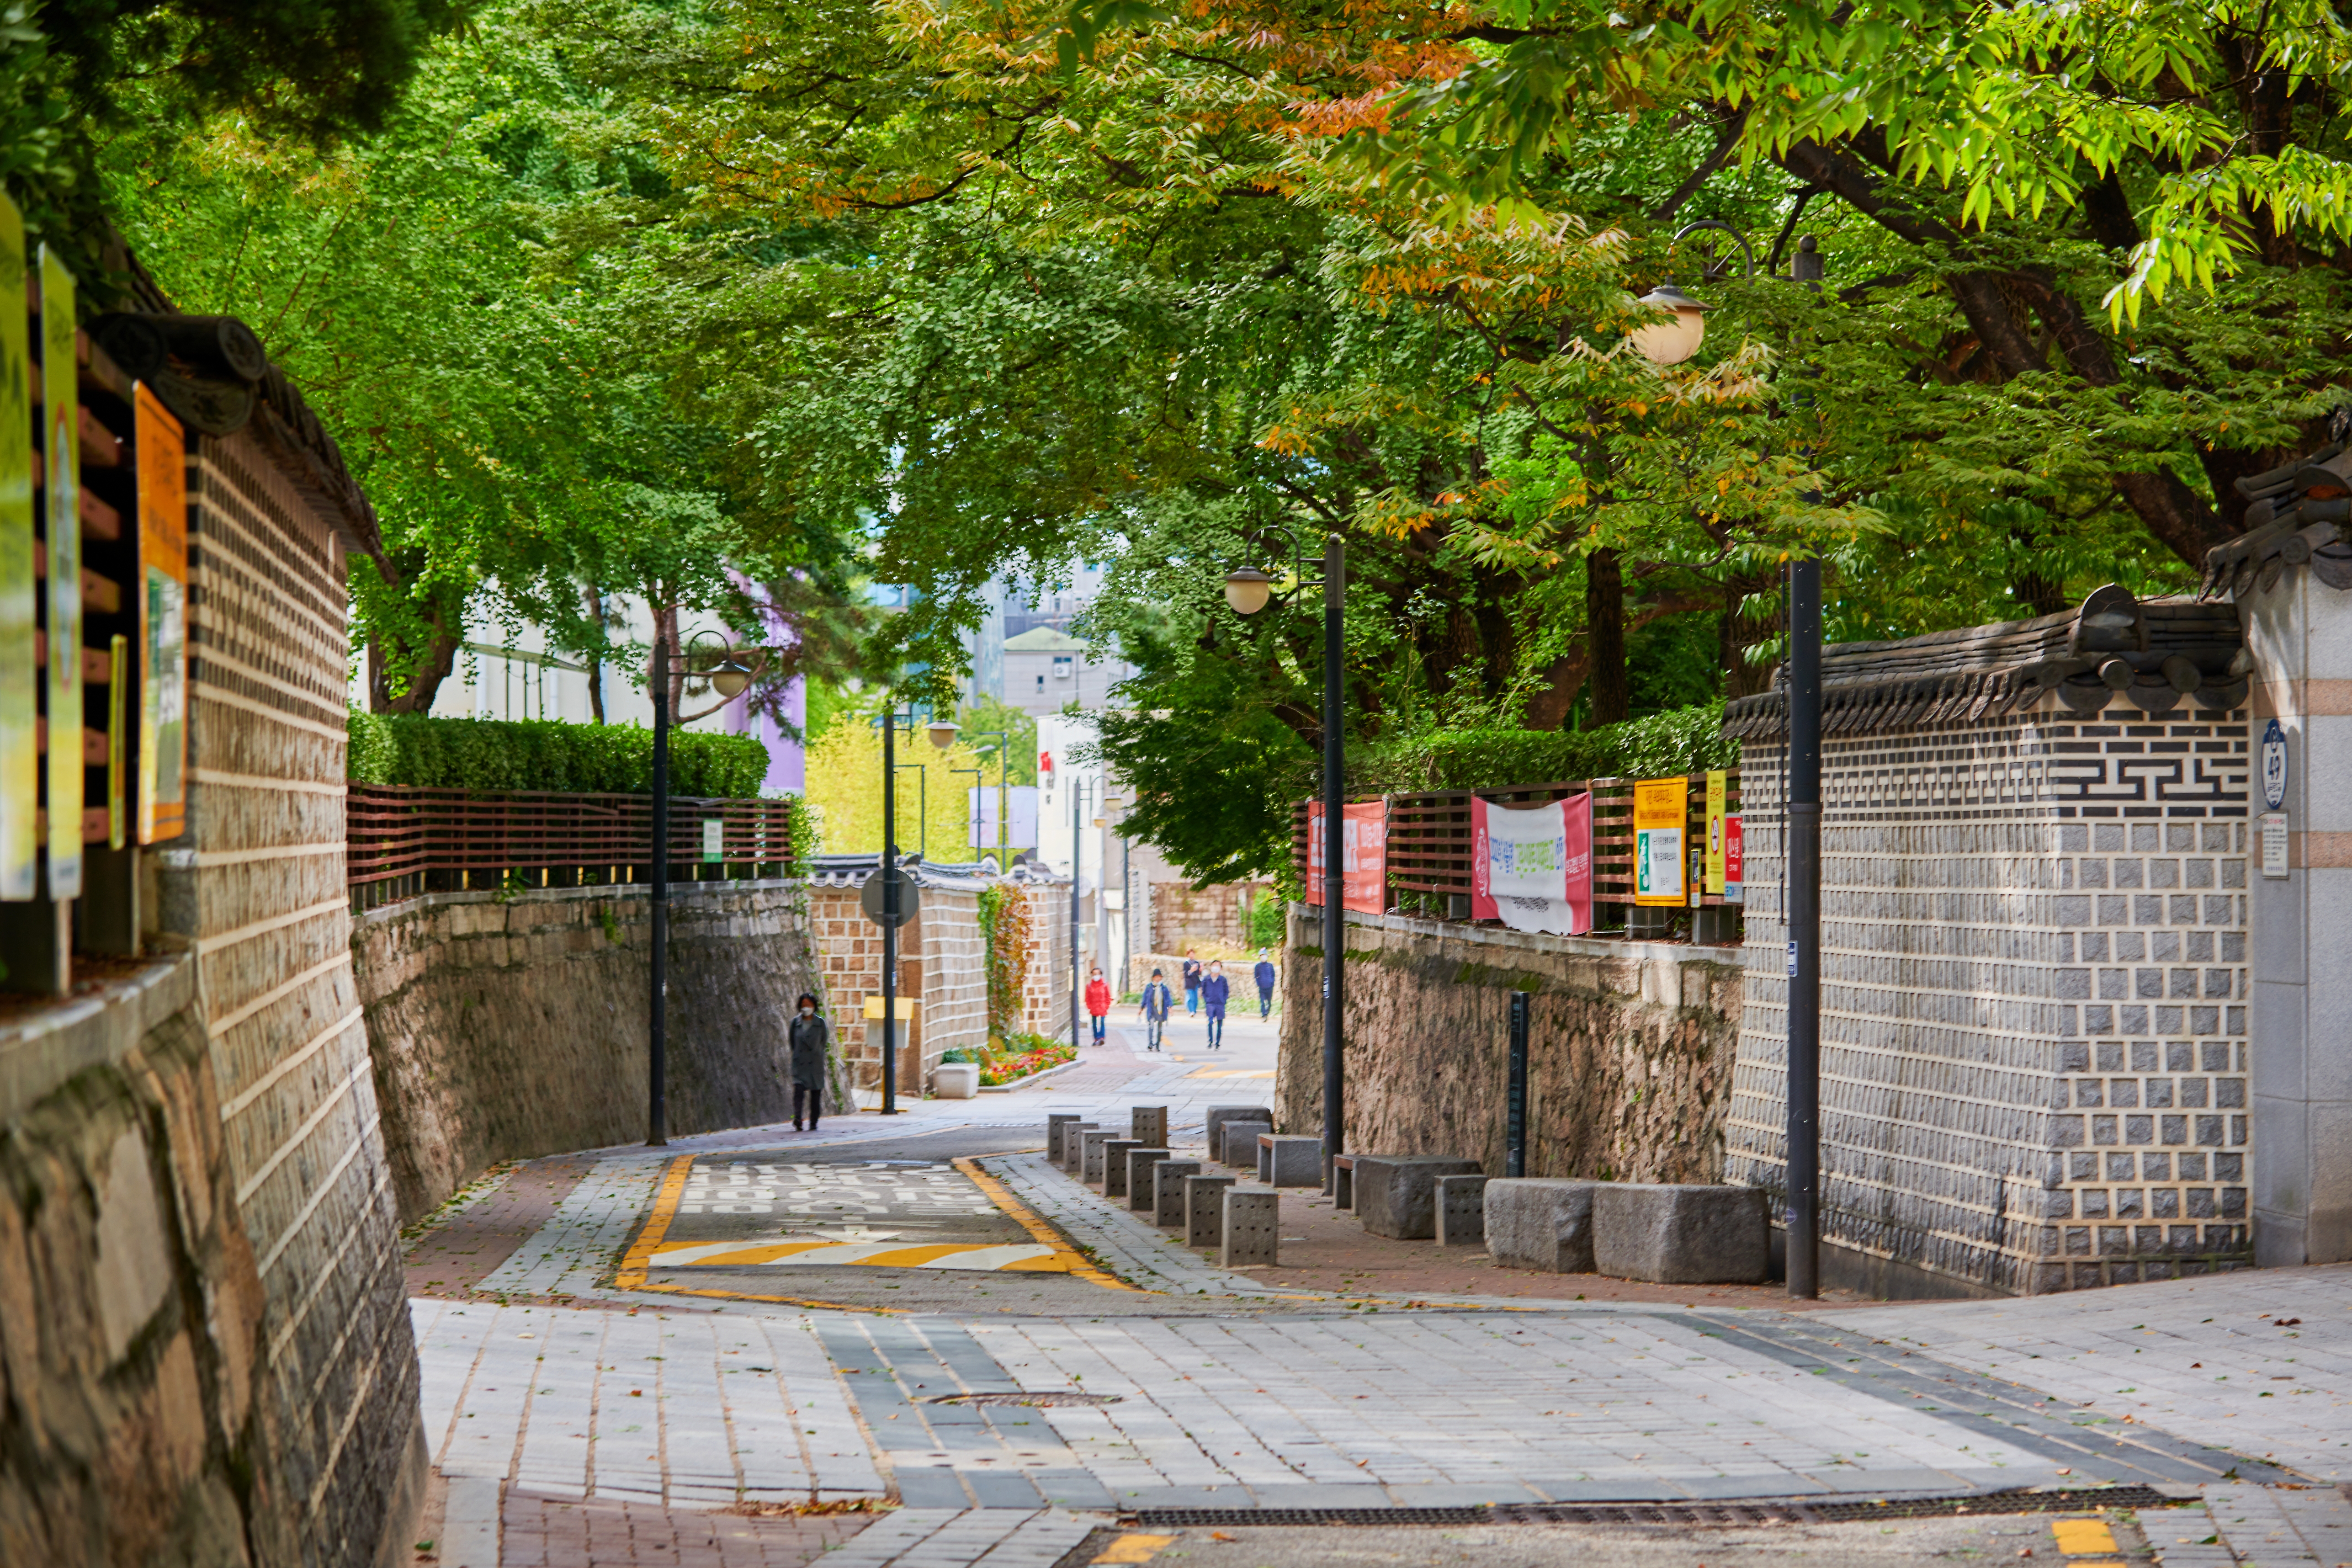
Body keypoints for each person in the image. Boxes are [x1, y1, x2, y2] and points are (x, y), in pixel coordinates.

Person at [788, 992, 827, 1132]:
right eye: (804, 1005)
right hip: (800, 1064)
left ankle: (814, 1122)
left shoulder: (820, 1023)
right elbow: (792, 1042)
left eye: (809, 1005)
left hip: (815, 1064)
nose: (806, 1007)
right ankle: (798, 1119)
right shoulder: (795, 1023)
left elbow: (824, 1042)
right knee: (798, 1092)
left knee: (815, 1097)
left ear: (814, 1006)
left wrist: (816, 1052)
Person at [1138, 967, 1173, 1052]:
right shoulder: (1149, 987)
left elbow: (1168, 999)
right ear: (1153, 978)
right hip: (1152, 1010)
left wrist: (1170, 1008)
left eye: (1159, 977)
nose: (1158, 979)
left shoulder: (1164, 988)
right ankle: (1150, 1044)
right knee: (1151, 1026)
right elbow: (1145, 998)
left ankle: (1158, 1045)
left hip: (1161, 1011)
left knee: (1160, 1029)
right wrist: (1141, 1008)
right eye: (1156, 977)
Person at [1200, 959, 1230, 1049]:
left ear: (1221, 969)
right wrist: (1207, 999)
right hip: (1210, 1003)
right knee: (1210, 1022)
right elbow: (1204, 991)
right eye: (1214, 965)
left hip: (1220, 1004)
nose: (1216, 967)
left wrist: (1224, 1000)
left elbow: (1226, 991)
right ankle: (1210, 1041)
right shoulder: (1206, 979)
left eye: (1218, 966)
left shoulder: (1223, 980)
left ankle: (1217, 1043)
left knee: (1220, 1024)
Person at [1084, 964, 1112, 1045]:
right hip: (1094, 1007)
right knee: (1094, 1024)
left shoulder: (1105, 985)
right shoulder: (1089, 986)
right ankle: (1096, 1038)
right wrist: (1089, 1006)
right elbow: (1087, 997)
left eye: (1098, 974)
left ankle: (1102, 1037)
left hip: (1102, 1007)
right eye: (1094, 974)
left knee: (1102, 1022)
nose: (1096, 976)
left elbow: (1108, 996)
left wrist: (1106, 1006)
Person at [1253, 949, 1277, 1019]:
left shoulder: (1270, 966)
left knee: (1269, 1002)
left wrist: (1272, 983)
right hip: (1262, 987)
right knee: (1262, 1002)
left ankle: (1267, 1012)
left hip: (1270, 987)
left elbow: (1273, 975)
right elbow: (1256, 976)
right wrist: (1259, 984)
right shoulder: (1258, 966)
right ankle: (1264, 1014)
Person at [1181, 950, 1203, 1015]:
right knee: (1190, 997)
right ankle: (1191, 1011)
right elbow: (1185, 974)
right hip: (1189, 983)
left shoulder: (1197, 963)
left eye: (1193, 954)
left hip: (1195, 982)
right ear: (1188, 955)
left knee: (1195, 998)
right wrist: (1191, 971)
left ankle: (1194, 1010)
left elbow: (1198, 974)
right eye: (1190, 954)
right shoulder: (1186, 964)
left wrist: (1200, 970)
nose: (1192, 955)